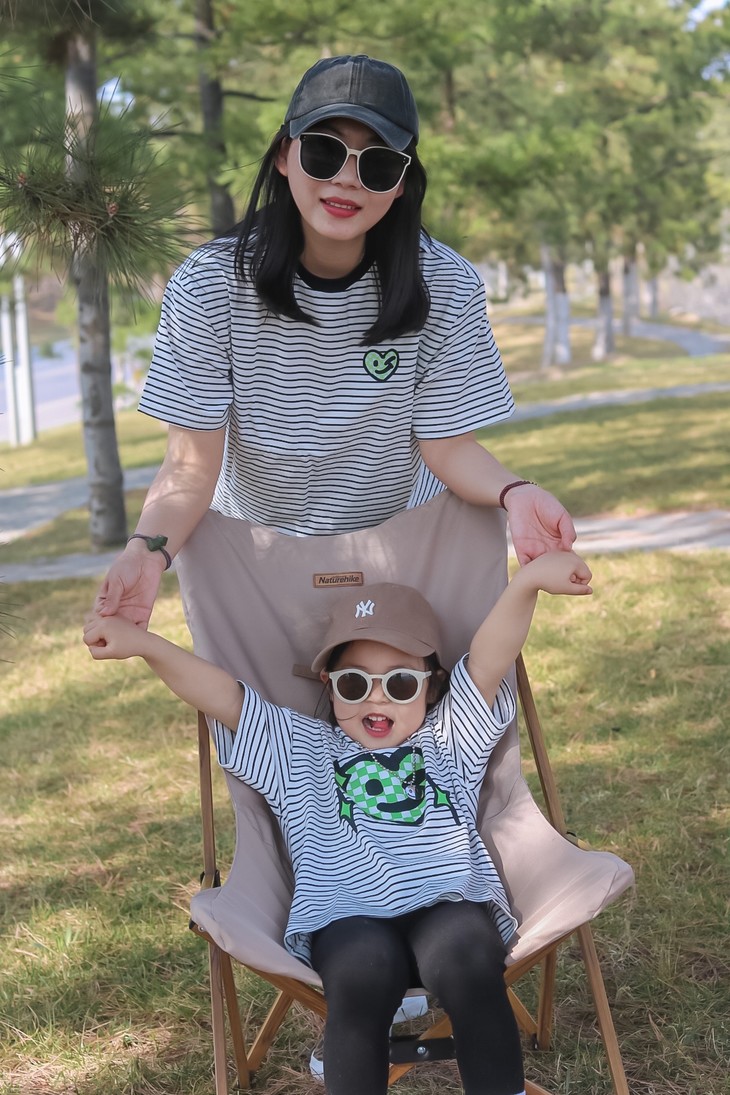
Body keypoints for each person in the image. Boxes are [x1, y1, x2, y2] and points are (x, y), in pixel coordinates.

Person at [84, 548, 593, 1095]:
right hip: (346, 915)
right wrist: (144, 645)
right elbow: (222, 696)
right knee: (359, 977)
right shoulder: (297, 748)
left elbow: (491, 659)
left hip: (447, 903)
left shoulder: (449, 737)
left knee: (470, 961)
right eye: (354, 684)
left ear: (431, 687)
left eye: (400, 684)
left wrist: (527, 583)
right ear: (328, 685)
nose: (377, 699)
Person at [94, 53, 576, 628]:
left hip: (406, 538)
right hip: (255, 549)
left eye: (378, 164)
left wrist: (517, 491)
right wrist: (146, 551)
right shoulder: (208, 284)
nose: (347, 179)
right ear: (283, 155)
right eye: (324, 152)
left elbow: (449, 447)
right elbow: (191, 466)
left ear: (400, 183)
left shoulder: (447, 284)